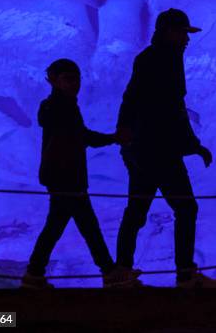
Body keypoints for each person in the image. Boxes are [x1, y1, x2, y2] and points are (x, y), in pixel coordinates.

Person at [115, 8, 216, 288]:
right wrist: (194, 146)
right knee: (186, 208)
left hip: (144, 148)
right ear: (169, 32)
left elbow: (134, 99)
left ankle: (122, 273)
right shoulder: (163, 60)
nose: (187, 39)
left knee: (137, 211)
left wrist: (126, 138)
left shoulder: (154, 58)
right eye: (183, 33)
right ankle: (185, 274)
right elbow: (172, 110)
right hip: (158, 150)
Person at [22, 58, 141, 289]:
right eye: (68, 79)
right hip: (67, 176)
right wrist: (114, 138)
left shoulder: (59, 105)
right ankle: (109, 272)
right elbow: (83, 137)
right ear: (54, 81)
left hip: (61, 176)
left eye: (76, 78)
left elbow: (79, 136)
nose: (74, 83)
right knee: (86, 225)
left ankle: (34, 274)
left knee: (59, 226)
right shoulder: (63, 106)